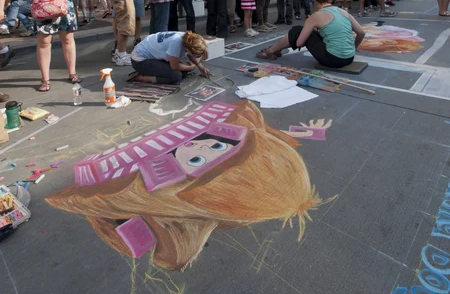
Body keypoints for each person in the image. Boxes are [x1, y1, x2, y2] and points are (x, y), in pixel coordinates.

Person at [47, 99, 321, 271]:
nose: (199, 144)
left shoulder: (150, 194)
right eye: (218, 145)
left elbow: (93, 192)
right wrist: (305, 132)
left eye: (200, 158)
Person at [257, 0, 365, 69]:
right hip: (350, 57)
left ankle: (271, 51)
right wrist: (353, 47)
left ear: (316, 2)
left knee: (297, 30)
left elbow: (299, 43)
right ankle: (277, 50)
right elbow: (361, 33)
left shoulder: (316, 16)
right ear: (331, 0)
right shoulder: (343, 12)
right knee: (312, 33)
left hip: (333, 59)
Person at [129, 31, 210, 84]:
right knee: (176, 76)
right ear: (189, 49)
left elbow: (190, 55)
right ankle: (142, 78)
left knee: (183, 72)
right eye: (197, 55)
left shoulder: (187, 38)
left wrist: (201, 67)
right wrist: (191, 68)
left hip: (152, 56)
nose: (197, 57)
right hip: (139, 61)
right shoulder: (176, 43)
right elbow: (174, 66)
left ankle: (151, 70)